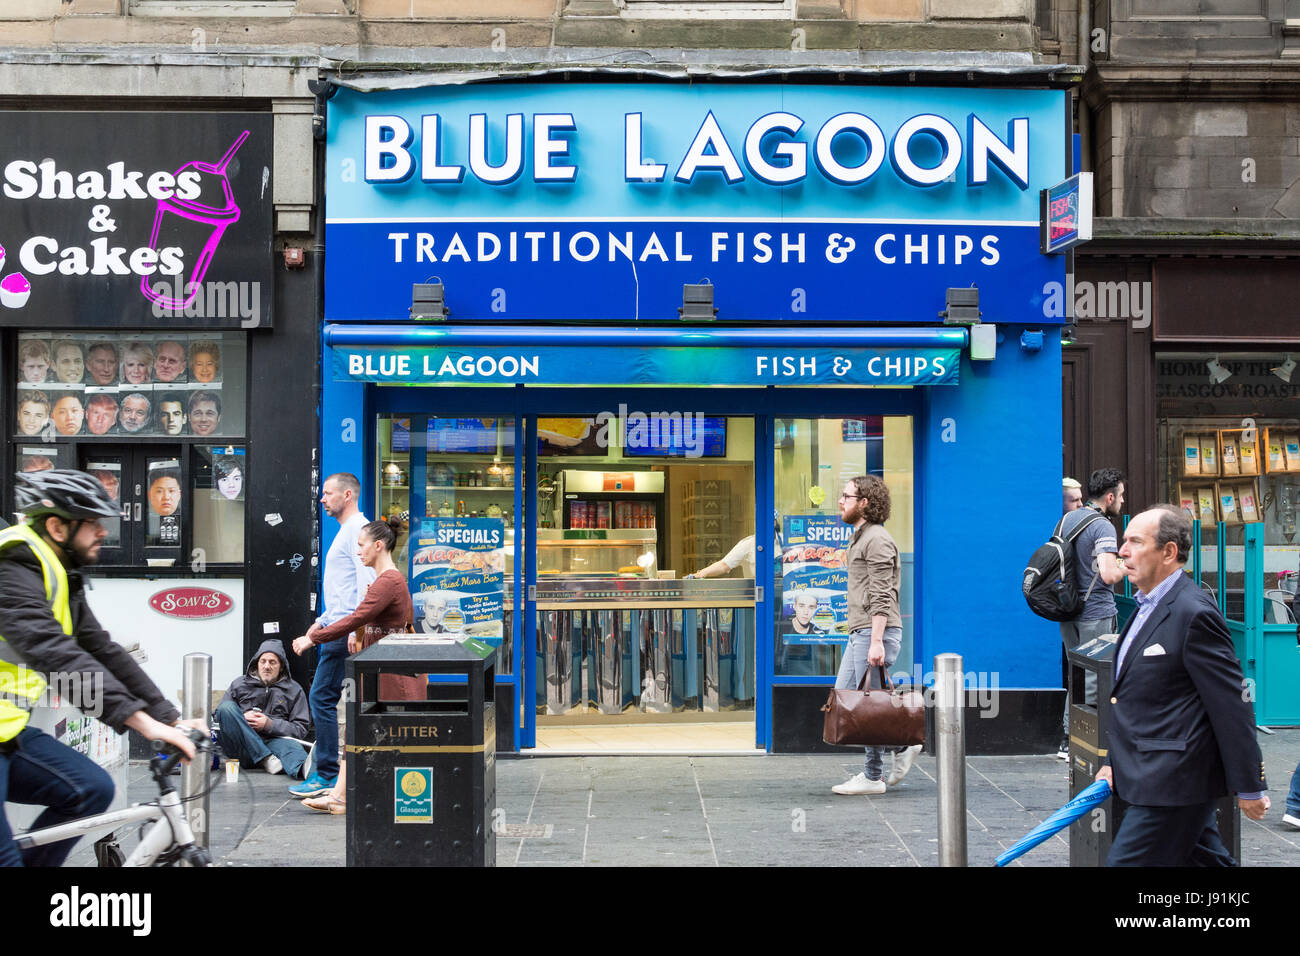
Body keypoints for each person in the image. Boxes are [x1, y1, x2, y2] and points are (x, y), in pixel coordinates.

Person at [0, 469, 201, 866]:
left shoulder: (59, 569)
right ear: (57, 526)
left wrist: (168, 718)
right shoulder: (13, 563)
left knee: (90, 791)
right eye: (92, 524)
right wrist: (141, 723)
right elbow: (52, 651)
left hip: (8, 733)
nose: (102, 532)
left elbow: (101, 649)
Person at [1095, 505, 1268, 865]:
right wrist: (1115, 760)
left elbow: (1231, 704)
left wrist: (1250, 785)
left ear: (1169, 552)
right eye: (1123, 541)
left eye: (1135, 542)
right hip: (1155, 773)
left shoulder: (1194, 612)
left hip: (1172, 781)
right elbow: (1141, 698)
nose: (1122, 551)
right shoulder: (1145, 606)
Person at [292, 515, 415, 814]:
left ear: (379, 545)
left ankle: (387, 798)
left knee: (379, 737)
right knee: (358, 733)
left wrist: (313, 638)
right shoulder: (383, 581)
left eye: (361, 546)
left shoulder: (389, 581)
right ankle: (341, 796)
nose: (358, 551)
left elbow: (356, 618)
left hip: (391, 677)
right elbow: (364, 619)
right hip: (381, 673)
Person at [831, 475, 922, 795]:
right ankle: (899, 747)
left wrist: (875, 642)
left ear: (864, 503)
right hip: (863, 631)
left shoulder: (877, 540)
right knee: (846, 697)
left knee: (864, 706)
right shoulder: (860, 537)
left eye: (846, 496)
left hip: (874, 631)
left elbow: (883, 595)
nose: (840, 501)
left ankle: (873, 775)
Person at [287, 473, 375, 799]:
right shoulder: (346, 531)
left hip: (345, 631)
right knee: (333, 699)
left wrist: (353, 628)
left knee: (321, 697)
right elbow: (343, 590)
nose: (322, 499)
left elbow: (366, 584)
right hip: (337, 626)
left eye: (328, 493)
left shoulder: (357, 531)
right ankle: (339, 773)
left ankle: (326, 774)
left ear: (348, 495)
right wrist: (320, 621)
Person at [1055, 467, 1126, 759]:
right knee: (1098, 676)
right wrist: (1129, 565)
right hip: (1095, 611)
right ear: (1109, 497)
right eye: (1121, 495)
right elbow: (1108, 574)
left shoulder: (1068, 519)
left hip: (1067, 609)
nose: (1123, 500)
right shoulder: (1103, 527)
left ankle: (1067, 738)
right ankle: (1090, 741)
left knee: (1077, 675)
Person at [214, 639, 310, 779]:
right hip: (241, 746)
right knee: (226, 708)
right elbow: (219, 717)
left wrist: (269, 724)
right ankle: (264, 758)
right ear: (256, 663)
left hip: (274, 743)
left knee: (294, 749)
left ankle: (306, 772)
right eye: (263, 661)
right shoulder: (239, 684)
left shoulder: (294, 690)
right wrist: (241, 718)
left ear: (281, 666)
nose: (266, 666)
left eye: (272, 662)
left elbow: (300, 729)